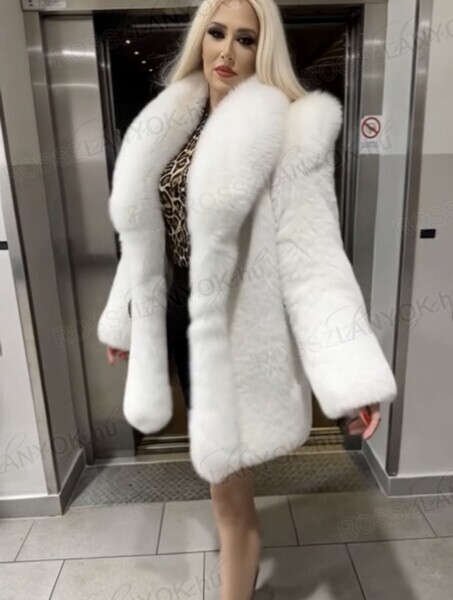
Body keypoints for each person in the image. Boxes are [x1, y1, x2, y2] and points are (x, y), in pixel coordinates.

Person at [97, 1, 398, 598]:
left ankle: (237, 583)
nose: (228, 51)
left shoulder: (290, 131)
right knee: (219, 479)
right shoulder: (172, 123)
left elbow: (314, 260)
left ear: (264, 50)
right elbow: (146, 238)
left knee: (229, 494)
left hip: (240, 326)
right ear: (199, 38)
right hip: (181, 316)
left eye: (246, 39)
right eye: (217, 33)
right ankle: (242, 571)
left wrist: (351, 377)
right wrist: (128, 318)